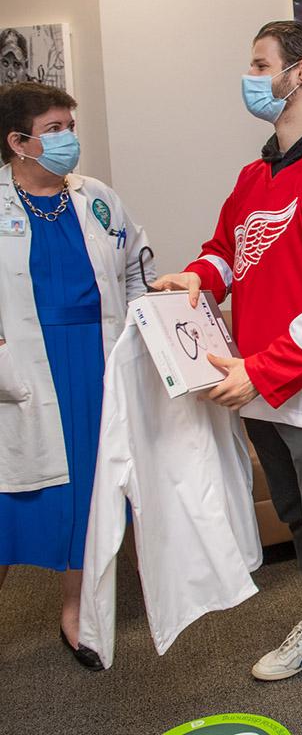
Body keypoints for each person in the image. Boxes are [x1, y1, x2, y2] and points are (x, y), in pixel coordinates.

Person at [152, 21, 302, 735]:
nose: (251, 76)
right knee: (299, 521)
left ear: (301, 73)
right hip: (256, 384)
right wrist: (196, 278)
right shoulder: (256, 175)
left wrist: (263, 369)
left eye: (261, 64)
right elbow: (227, 251)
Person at [0, 82, 151, 670]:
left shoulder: (97, 198)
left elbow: (138, 267)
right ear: (18, 142)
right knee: (16, 496)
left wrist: (144, 334)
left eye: (70, 125)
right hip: (24, 370)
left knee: (88, 493)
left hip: (95, 362)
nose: (68, 138)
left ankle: (77, 614)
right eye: (54, 128)